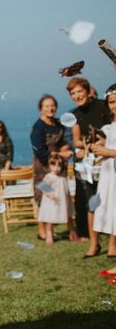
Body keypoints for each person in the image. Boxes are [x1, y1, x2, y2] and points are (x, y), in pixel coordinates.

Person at [67, 77, 111, 258]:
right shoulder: (74, 114)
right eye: (73, 93)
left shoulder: (104, 107)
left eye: (79, 91)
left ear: (88, 90)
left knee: (111, 203)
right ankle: (94, 244)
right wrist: (83, 145)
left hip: (107, 161)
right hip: (87, 165)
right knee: (91, 204)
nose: (77, 96)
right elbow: (76, 139)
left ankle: (113, 245)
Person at [30, 94, 72, 241]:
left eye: (52, 105)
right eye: (47, 106)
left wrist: (65, 147)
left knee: (57, 195)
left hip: (58, 166)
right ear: (41, 109)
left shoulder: (58, 123)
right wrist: (60, 153)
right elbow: (39, 151)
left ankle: (52, 229)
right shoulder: (38, 127)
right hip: (43, 166)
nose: (50, 108)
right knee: (43, 197)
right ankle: (42, 231)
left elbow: (63, 140)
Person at [91, 84, 116, 258]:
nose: (114, 105)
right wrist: (102, 148)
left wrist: (108, 152)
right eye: (112, 102)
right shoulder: (112, 125)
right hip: (109, 174)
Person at [37, 155, 75, 244]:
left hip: (63, 201)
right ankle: (49, 235)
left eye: (59, 166)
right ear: (49, 166)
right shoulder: (49, 176)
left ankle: (72, 233)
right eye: (53, 165)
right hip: (52, 202)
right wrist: (50, 194)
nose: (56, 168)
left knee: (68, 217)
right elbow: (42, 186)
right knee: (50, 219)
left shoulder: (62, 176)